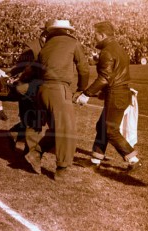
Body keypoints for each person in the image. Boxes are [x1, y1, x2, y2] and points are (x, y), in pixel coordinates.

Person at [24, 20, 90, 180]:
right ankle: (62, 170)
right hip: (59, 90)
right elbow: (84, 68)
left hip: (43, 90)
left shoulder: (46, 46)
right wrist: (82, 89)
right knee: (67, 131)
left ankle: (35, 153)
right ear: (67, 31)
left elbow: (33, 70)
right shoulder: (72, 42)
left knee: (56, 130)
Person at [83, 21, 141, 171]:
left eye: (95, 34)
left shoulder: (107, 51)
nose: (93, 37)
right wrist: (104, 92)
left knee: (110, 130)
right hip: (120, 92)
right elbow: (114, 75)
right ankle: (95, 159)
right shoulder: (119, 49)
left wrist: (86, 94)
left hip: (116, 94)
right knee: (102, 126)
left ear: (102, 35)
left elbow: (104, 78)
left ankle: (133, 159)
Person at [8, 19, 53, 152]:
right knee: (34, 121)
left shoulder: (48, 46)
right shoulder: (32, 47)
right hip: (29, 88)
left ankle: (15, 134)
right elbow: (21, 68)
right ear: (45, 35)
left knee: (35, 120)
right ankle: (29, 153)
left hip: (40, 88)